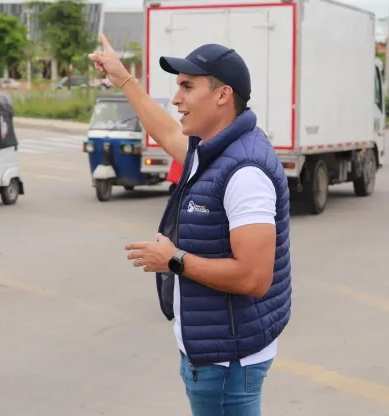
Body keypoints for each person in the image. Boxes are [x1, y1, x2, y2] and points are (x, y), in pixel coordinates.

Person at [89, 34, 291, 416]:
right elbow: (166, 133)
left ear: (222, 95)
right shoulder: (214, 149)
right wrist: (123, 78)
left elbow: (254, 278)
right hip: (217, 351)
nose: (177, 98)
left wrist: (174, 260)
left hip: (227, 361)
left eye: (187, 86)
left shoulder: (244, 172)